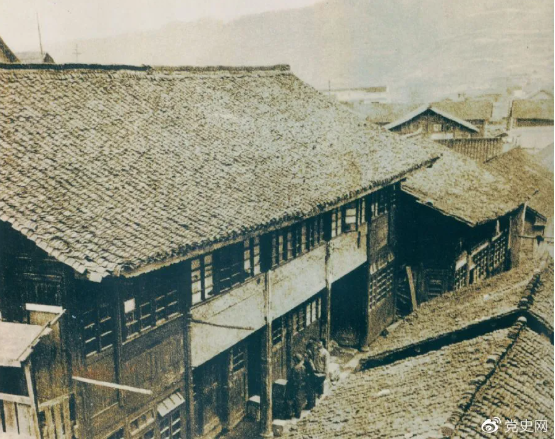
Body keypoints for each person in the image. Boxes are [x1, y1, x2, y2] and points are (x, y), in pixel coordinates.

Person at [287, 354, 307, 418]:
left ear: (296, 360)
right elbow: (304, 376)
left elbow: (292, 378)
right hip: (301, 385)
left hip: (295, 385)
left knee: (294, 399)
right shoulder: (303, 367)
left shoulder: (295, 368)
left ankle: (293, 413)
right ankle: (298, 413)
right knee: (299, 399)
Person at [304, 342, 317, 410]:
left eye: (306, 354)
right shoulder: (309, 361)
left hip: (310, 378)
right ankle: (312, 404)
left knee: (310, 391)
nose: (305, 355)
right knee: (311, 391)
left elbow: (313, 369)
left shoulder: (309, 361)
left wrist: (308, 374)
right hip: (311, 377)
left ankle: (310, 405)